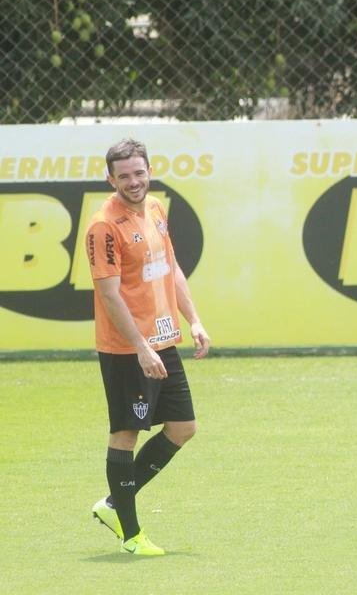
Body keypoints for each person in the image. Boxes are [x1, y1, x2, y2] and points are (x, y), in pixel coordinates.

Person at [86, 138, 211, 555]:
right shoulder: (103, 226)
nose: (133, 181)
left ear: (149, 171)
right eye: (124, 176)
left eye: (139, 173)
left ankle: (112, 504)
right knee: (125, 435)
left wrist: (193, 319)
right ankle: (132, 535)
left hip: (163, 340)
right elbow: (108, 294)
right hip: (128, 349)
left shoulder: (156, 208)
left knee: (183, 428)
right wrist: (140, 346)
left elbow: (170, 268)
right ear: (111, 179)